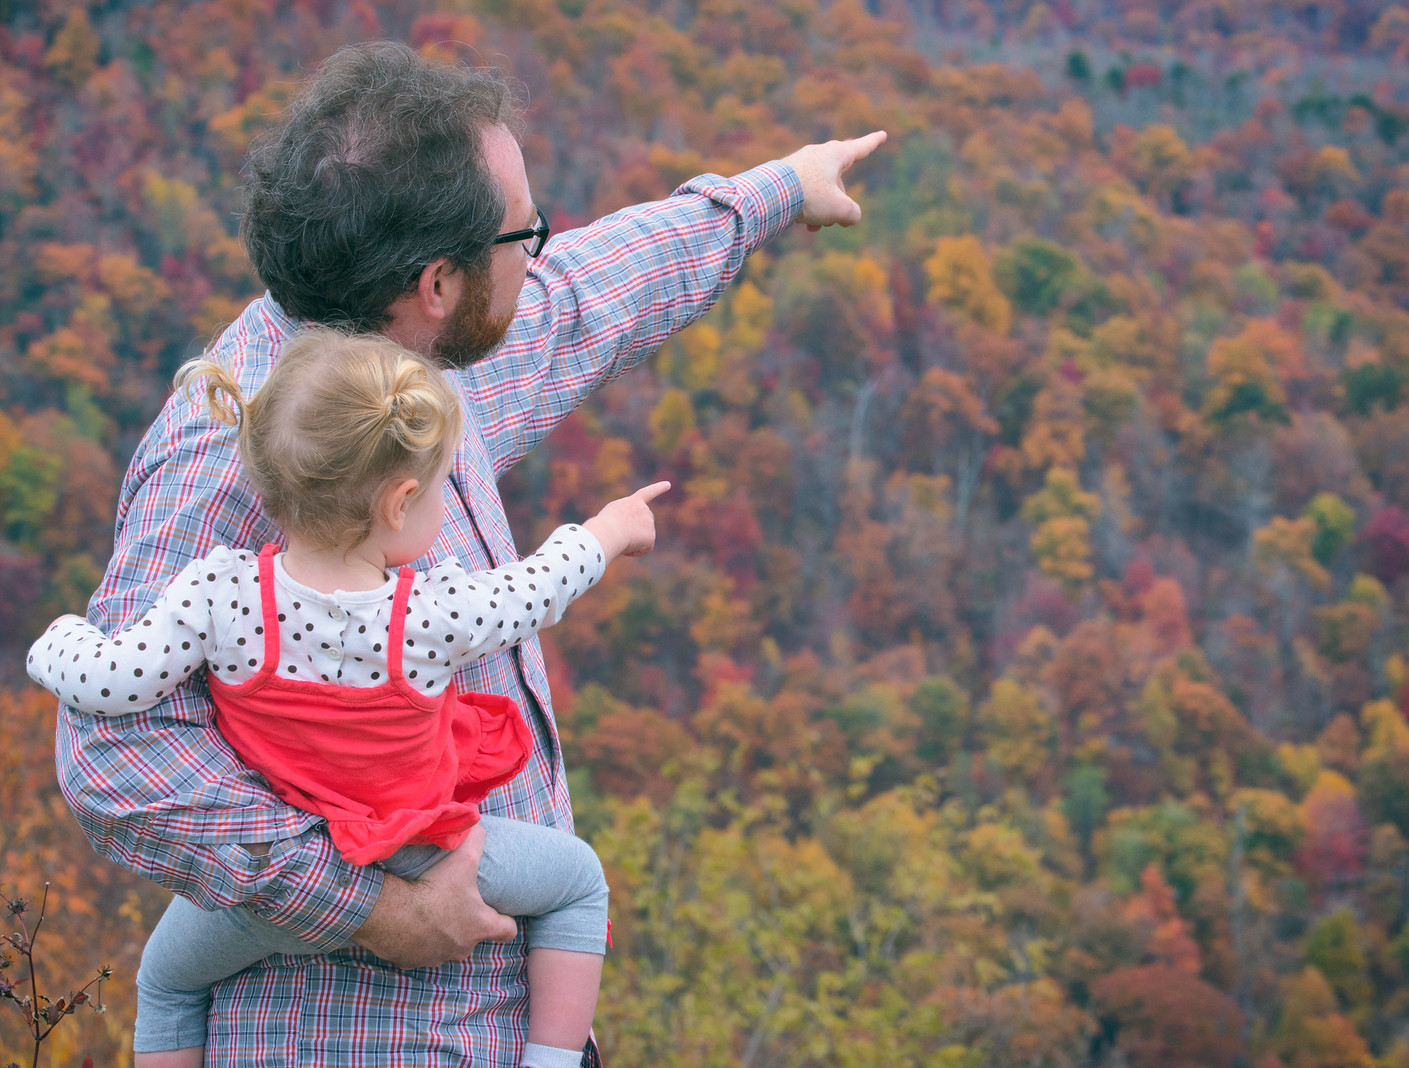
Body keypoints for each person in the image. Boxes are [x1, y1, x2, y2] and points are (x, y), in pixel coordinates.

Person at [55, 38, 883, 1064]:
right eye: (521, 233)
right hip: (360, 1035)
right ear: (438, 282)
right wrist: (362, 903)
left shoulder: (403, 376)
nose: (537, 254)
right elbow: (115, 757)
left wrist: (773, 192)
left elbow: (580, 302)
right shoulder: (241, 445)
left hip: (493, 1018)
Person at [32, 331, 666, 1068]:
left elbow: (112, 683)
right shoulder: (430, 614)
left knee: (169, 983)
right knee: (579, 882)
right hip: (428, 855)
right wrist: (611, 529)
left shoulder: (222, 594)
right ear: (400, 502)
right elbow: (539, 589)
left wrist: (57, 642)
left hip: (292, 884)